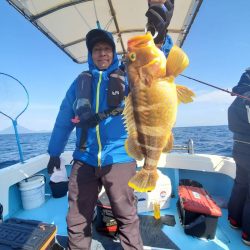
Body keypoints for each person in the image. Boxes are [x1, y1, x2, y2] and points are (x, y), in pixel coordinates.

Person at [46, 1, 174, 249]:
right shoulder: (79, 82)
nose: (102, 53)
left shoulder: (129, 75)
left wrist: (161, 35)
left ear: (114, 53)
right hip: (84, 159)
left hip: (120, 157)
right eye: (97, 50)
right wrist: (54, 152)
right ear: (91, 55)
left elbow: (158, 65)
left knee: (126, 216)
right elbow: (63, 120)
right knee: (76, 217)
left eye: (106, 49)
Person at [227, 67, 250, 246]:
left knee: (241, 183)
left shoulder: (238, 100)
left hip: (239, 147)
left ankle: (234, 220)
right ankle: (248, 235)